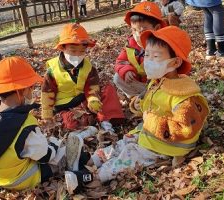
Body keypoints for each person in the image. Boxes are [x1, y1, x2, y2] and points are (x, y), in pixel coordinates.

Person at [65, 26, 209, 194]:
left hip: (165, 146)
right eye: (146, 54)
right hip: (148, 135)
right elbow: (151, 105)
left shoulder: (186, 95)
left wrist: (152, 121)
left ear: (175, 62)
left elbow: (185, 127)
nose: (147, 60)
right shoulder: (158, 81)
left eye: (155, 56)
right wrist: (139, 106)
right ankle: (89, 160)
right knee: (122, 143)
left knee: (129, 155)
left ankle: (90, 177)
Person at [0, 57, 93, 190]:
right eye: (30, 88)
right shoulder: (24, 125)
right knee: (59, 154)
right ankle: (81, 171)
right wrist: (54, 146)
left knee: (30, 147)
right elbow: (44, 155)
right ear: (20, 92)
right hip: (18, 179)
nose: (32, 92)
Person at [41, 23, 124, 132]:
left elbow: (92, 86)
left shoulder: (88, 67)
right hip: (64, 106)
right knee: (71, 123)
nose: (77, 55)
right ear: (63, 48)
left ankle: (107, 120)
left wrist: (93, 99)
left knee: (108, 89)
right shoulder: (53, 70)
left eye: (82, 51)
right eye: (73, 51)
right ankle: (89, 121)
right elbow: (47, 94)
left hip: (84, 100)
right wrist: (47, 115)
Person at [113, 1, 166, 99]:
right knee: (117, 78)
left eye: (142, 31)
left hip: (160, 86)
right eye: (134, 30)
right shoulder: (131, 45)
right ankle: (137, 98)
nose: (137, 35)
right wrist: (126, 70)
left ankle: (149, 99)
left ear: (157, 28)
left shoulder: (163, 46)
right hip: (140, 85)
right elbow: (120, 61)